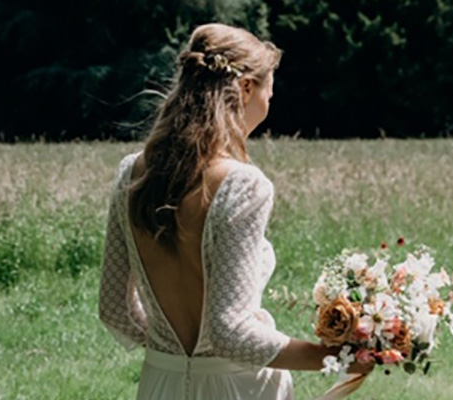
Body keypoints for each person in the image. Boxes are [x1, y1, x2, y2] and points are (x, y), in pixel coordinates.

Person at [98, 23, 372, 400]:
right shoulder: (242, 185)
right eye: (269, 94)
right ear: (246, 88)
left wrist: (171, 351)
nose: (268, 106)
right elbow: (232, 334)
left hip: (161, 383)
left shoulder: (131, 173)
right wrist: (336, 356)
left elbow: (114, 309)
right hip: (236, 389)